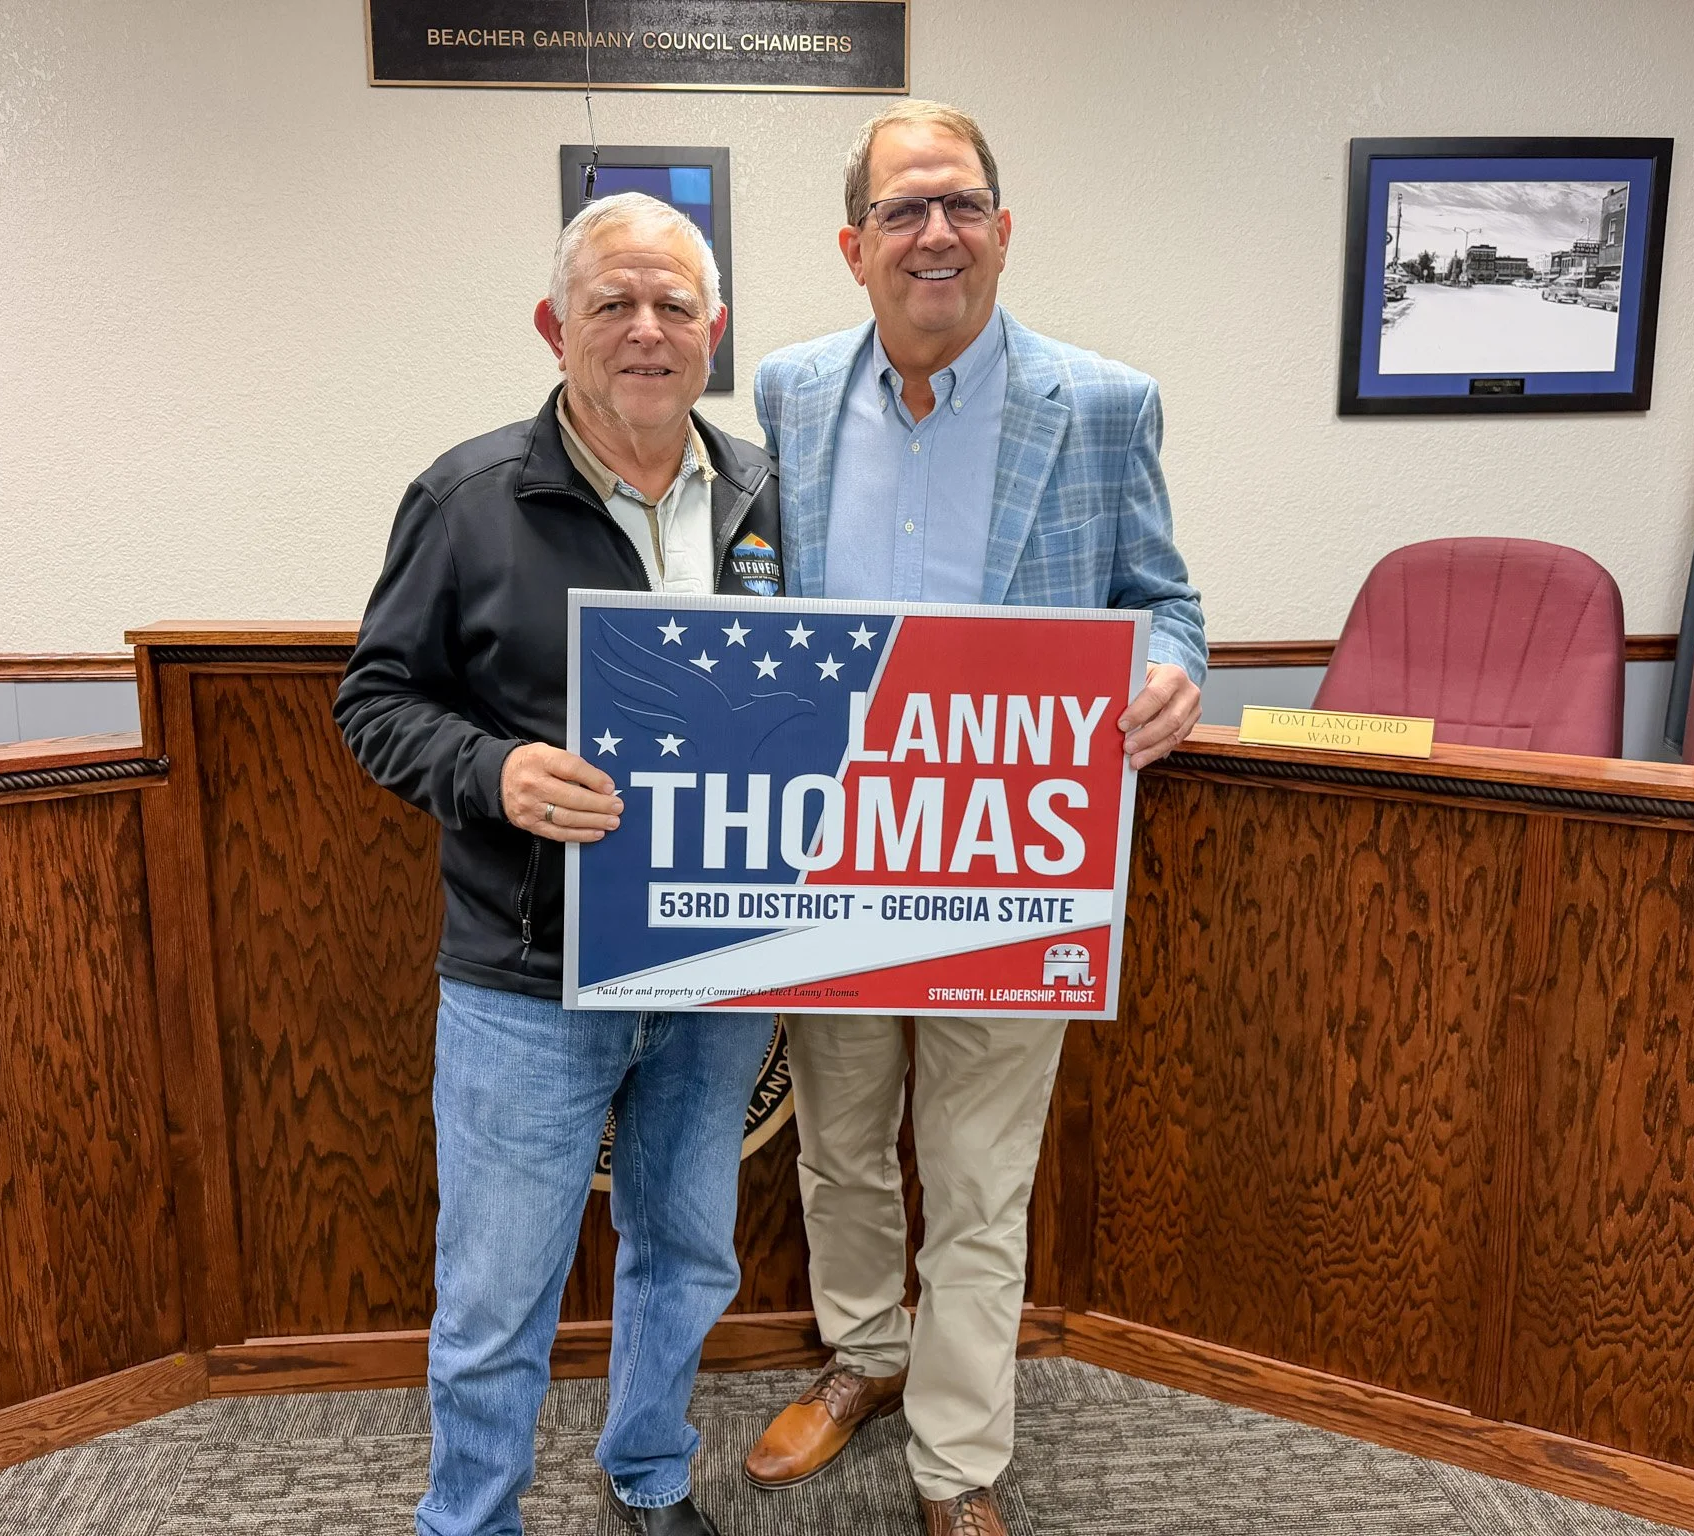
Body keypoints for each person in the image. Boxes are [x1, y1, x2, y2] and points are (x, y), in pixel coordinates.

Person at [741, 102, 1207, 1536]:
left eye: (960, 205)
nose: (933, 233)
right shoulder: (784, 392)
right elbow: (757, 584)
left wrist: (1176, 668)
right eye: (901, 211)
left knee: (981, 1171)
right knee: (838, 1140)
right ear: (853, 245)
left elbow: (1163, 595)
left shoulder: (1106, 402)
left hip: (1014, 862)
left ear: (1003, 229)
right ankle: (864, 1358)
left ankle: (958, 1456)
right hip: (835, 851)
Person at [335, 191, 782, 1536]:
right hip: (529, 975)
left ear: (714, 328)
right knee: (496, 1294)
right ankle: (471, 1517)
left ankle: (650, 1476)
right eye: (612, 304)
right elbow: (376, 702)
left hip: (718, 956)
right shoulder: (468, 499)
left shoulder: (771, 494)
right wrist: (495, 774)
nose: (647, 331)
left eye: (674, 305)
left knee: (689, 1257)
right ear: (556, 327)